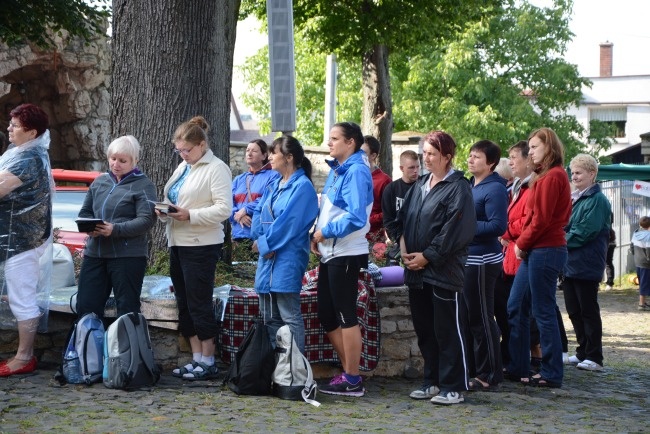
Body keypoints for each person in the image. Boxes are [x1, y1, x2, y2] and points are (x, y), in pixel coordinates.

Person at [387, 130, 476, 405]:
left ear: (447, 157)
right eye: (424, 152)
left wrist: (428, 255)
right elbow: (403, 219)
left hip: (443, 271)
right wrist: (402, 249)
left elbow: (454, 231)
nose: (426, 158)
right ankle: (433, 380)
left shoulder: (458, 187)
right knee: (425, 330)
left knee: (447, 330)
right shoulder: (421, 184)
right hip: (416, 270)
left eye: (432, 154)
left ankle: (454, 386)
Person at [160, 116, 232, 380]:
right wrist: (165, 210)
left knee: (199, 301)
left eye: (187, 150)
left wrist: (190, 214)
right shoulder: (183, 168)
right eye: (179, 151)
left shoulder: (216, 168)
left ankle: (209, 358)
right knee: (184, 302)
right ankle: (196, 357)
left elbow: (224, 209)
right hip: (178, 242)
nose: (183, 155)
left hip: (201, 244)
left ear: (202, 145)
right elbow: (174, 196)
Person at [311, 122, 373, 397]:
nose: (329, 143)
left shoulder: (357, 170)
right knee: (326, 312)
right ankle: (349, 372)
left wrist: (326, 232)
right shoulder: (339, 169)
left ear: (351, 142)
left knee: (345, 314)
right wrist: (317, 235)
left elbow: (357, 217)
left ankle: (353, 377)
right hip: (331, 251)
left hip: (346, 252)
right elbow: (330, 209)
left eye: (334, 138)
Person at [507, 127, 571, 388]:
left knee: (543, 311)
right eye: (530, 147)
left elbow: (542, 220)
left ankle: (552, 371)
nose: (530, 151)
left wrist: (521, 243)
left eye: (534, 147)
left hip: (546, 249)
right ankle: (519, 365)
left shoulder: (553, 176)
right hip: (536, 248)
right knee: (516, 306)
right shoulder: (541, 177)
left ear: (549, 148)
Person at [75, 136, 157, 319]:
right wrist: (88, 226)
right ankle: (89, 346)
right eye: (113, 159)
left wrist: (115, 229)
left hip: (127, 257)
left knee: (127, 309)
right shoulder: (99, 182)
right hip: (95, 254)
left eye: (122, 161)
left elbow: (146, 220)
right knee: (86, 306)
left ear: (135, 161)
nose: (116, 164)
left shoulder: (144, 185)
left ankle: (127, 348)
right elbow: (85, 212)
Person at [251, 135, 318, 353]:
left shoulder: (303, 187)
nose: (269, 156)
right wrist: (259, 240)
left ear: (289, 157)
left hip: (287, 258)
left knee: (289, 317)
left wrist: (266, 245)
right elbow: (259, 213)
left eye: (274, 152)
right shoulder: (274, 184)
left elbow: (290, 222)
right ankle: (275, 369)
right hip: (267, 259)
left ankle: (295, 371)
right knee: (269, 316)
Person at [0, 103, 53, 377]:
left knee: (22, 297)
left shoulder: (28, 159)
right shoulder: (21, 153)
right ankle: (22, 354)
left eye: (15, 125)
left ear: (31, 132)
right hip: (17, 238)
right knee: (18, 295)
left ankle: (24, 357)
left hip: (22, 240)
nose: (9, 128)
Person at [463, 140, 508, 390]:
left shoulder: (495, 189)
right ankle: (473, 367)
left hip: (483, 260)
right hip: (467, 259)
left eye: (477, 157)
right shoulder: (471, 185)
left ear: (491, 163)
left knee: (482, 317)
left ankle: (489, 373)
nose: (471, 160)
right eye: (470, 156)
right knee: (470, 318)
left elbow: (497, 226)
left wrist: (464, 226)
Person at [562, 154, 610, 372]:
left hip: (587, 263)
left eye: (579, 172)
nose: (575, 176)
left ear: (592, 174)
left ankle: (594, 356)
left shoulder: (598, 201)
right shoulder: (576, 198)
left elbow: (584, 232)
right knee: (574, 310)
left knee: (588, 310)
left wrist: (559, 240)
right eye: (573, 172)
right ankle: (582, 351)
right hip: (571, 263)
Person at [495, 141, 532, 367]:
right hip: (511, 256)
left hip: (524, 254)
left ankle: (524, 363)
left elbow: (529, 220)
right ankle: (516, 362)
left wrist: (505, 230)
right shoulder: (519, 185)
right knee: (513, 311)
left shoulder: (533, 185)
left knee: (521, 311)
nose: (510, 162)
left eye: (514, 157)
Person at [230, 139, 279, 260]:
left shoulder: (273, 176)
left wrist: (246, 209)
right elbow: (227, 202)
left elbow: (268, 198)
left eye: (254, 151)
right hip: (238, 235)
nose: (249, 153)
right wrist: (238, 214)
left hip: (258, 236)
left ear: (264, 155)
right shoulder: (238, 179)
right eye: (247, 150)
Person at [382, 150, 420, 244]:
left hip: (421, 240)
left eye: (418, 166)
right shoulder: (391, 189)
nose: (415, 171)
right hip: (399, 241)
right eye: (411, 167)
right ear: (401, 168)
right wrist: (399, 240)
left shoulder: (424, 187)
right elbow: (388, 220)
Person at [362, 135, 391, 244]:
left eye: (363, 153)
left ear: (373, 155)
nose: (358, 156)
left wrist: (367, 220)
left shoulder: (384, 181)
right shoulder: (353, 176)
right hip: (349, 238)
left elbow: (388, 213)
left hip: (373, 239)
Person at [631, 216, 650, 311]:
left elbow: (632, 247)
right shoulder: (648, 236)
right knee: (645, 283)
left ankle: (644, 302)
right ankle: (641, 304)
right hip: (646, 264)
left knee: (642, 282)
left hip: (638, 261)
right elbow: (648, 251)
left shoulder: (635, 233)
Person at [604, 216, 616, 290]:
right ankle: (609, 283)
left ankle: (609, 282)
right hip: (610, 243)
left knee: (608, 262)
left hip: (608, 243)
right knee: (608, 263)